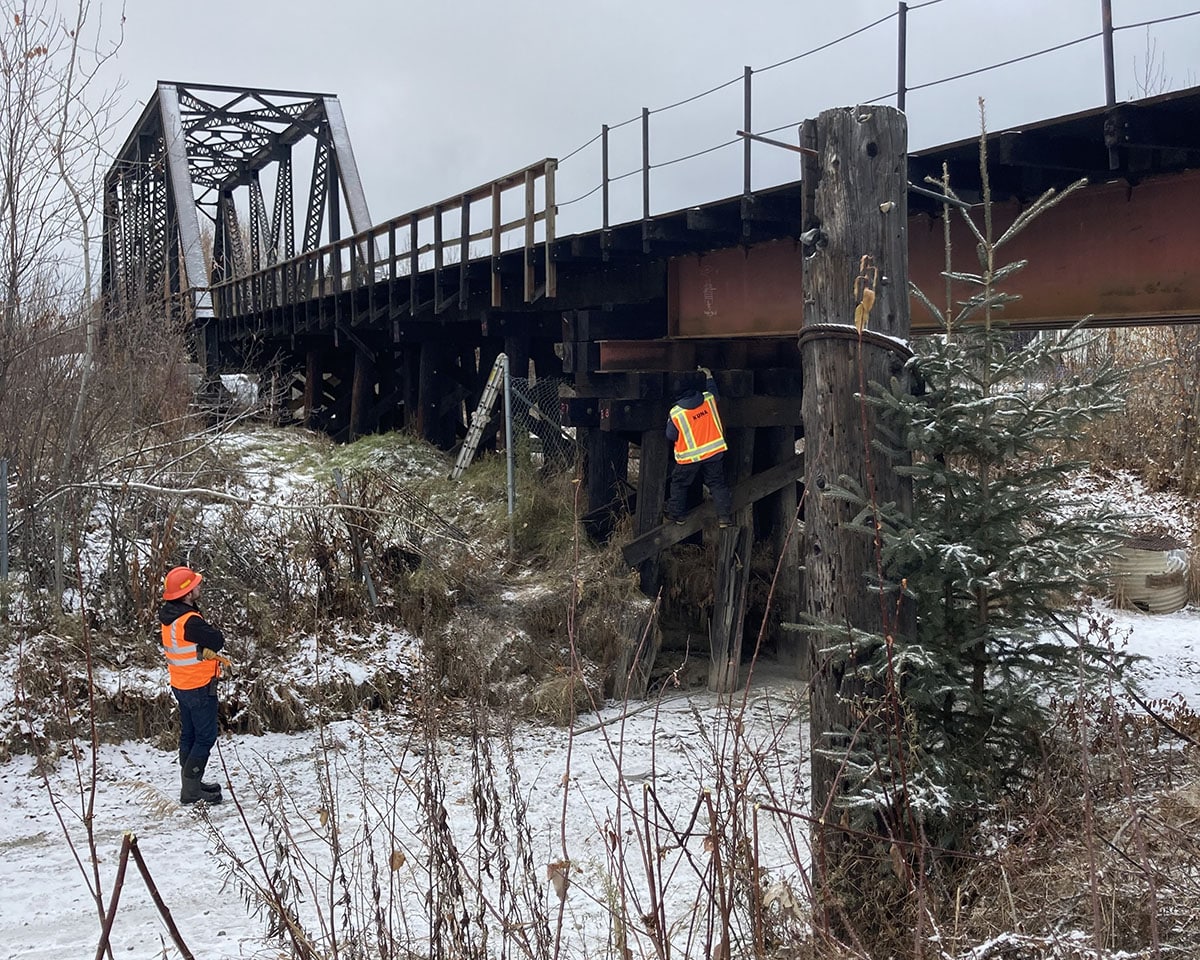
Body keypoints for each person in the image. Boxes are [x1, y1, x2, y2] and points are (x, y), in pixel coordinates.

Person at [159, 565, 226, 805]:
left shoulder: (170, 618)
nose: (199, 586)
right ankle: (191, 791)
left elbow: (185, 648)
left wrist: (200, 651)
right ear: (187, 593)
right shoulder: (189, 621)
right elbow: (217, 640)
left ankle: (191, 784)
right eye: (196, 584)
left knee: (189, 734)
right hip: (198, 687)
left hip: (181, 684)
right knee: (205, 737)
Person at [664, 366, 734, 527]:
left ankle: (677, 515)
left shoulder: (676, 413)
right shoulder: (708, 400)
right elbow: (714, 392)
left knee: (679, 484)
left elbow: (670, 435)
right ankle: (724, 517)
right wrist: (709, 376)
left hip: (689, 457)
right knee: (717, 484)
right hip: (714, 453)